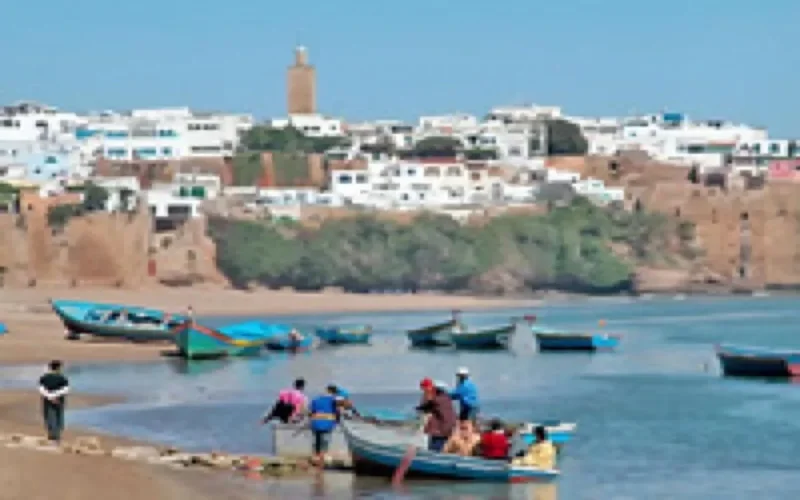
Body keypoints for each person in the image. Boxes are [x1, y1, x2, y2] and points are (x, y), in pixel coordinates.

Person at [415, 380, 456, 452]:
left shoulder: (436, 400)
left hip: (439, 431)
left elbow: (423, 408)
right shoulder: (447, 398)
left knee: (434, 450)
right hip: (448, 429)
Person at [309, 385, 341, 466]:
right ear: (334, 393)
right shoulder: (334, 400)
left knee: (317, 439)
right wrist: (337, 420)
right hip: (328, 423)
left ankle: (316, 456)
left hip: (316, 422)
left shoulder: (316, 399)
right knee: (325, 440)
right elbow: (337, 412)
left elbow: (311, 411)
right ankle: (324, 455)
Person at [39, 360, 69, 444]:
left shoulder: (44, 378)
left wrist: (50, 396)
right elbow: (65, 390)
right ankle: (56, 438)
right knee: (58, 417)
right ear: (58, 368)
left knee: (49, 417)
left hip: (48, 400)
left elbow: (41, 389)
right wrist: (55, 396)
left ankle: (52, 437)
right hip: (59, 400)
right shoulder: (62, 378)